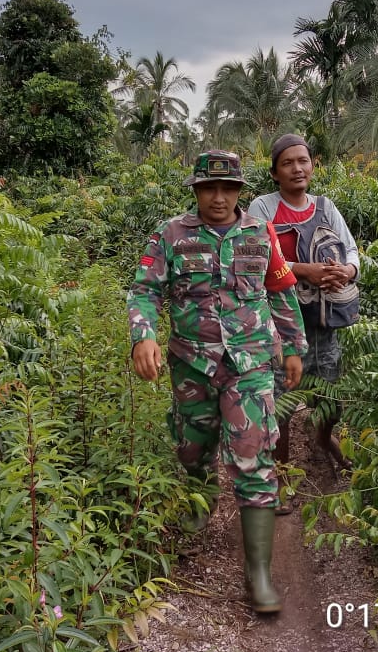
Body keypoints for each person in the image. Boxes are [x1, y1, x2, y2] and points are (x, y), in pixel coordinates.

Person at [127, 149, 307, 613]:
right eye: (210, 188)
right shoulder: (171, 235)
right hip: (192, 365)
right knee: (193, 447)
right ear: (196, 190)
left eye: (229, 188)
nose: (220, 197)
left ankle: (259, 575)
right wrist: (142, 336)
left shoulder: (259, 233)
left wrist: (292, 347)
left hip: (248, 367)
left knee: (253, 459)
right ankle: (198, 502)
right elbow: (145, 290)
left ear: (241, 192)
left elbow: (281, 291)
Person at [247, 133, 359, 479]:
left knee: (330, 399)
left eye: (303, 161)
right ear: (274, 172)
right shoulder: (263, 207)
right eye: (287, 163)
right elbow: (258, 255)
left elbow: (352, 250)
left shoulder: (325, 206)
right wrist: (304, 271)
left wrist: (346, 270)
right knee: (279, 400)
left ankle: (323, 440)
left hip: (324, 321)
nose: (297, 168)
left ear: (313, 165)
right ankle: (280, 474)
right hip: (281, 324)